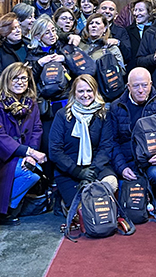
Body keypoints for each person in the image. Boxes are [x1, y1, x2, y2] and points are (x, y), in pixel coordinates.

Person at [111, 67, 156, 216]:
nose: (141, 90)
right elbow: (112, 142)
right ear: (128, 87)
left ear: (151, 84)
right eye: (136, 86)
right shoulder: (116, 107)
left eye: (144, 85)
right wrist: (122, 168)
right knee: (131, 212)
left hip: (154, 161)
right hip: (128, 163)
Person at [0, 62, 48, 221]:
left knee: (34, 172)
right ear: (6, 80)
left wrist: (30, 154)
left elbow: (37, 129)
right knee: (28, 172)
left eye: (24, 79)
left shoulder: (31, 103)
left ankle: (8, 209)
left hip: (21, 154)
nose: (20, 82)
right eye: (15, 78)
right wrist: (29, 152)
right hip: (0, 157)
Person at [49, 75, 118, 211]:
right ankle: (64, 201)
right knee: (84, 209)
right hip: (69, 169)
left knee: (111, 183)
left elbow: (106, 147)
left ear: (95, 92)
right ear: (74, 93)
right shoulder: (62, 115)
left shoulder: (103, 115)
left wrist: (91, 171)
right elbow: (55, 151)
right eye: (81, 91)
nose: (85, 95)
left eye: (89, 91)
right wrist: (78, 172)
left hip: (95, 167)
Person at [0, 12, 28, 85]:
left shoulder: (28, 46)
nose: (18, 31)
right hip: (8, 92)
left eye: (18, 27)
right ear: (4, 32)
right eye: (14, 28)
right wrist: (16, 76)